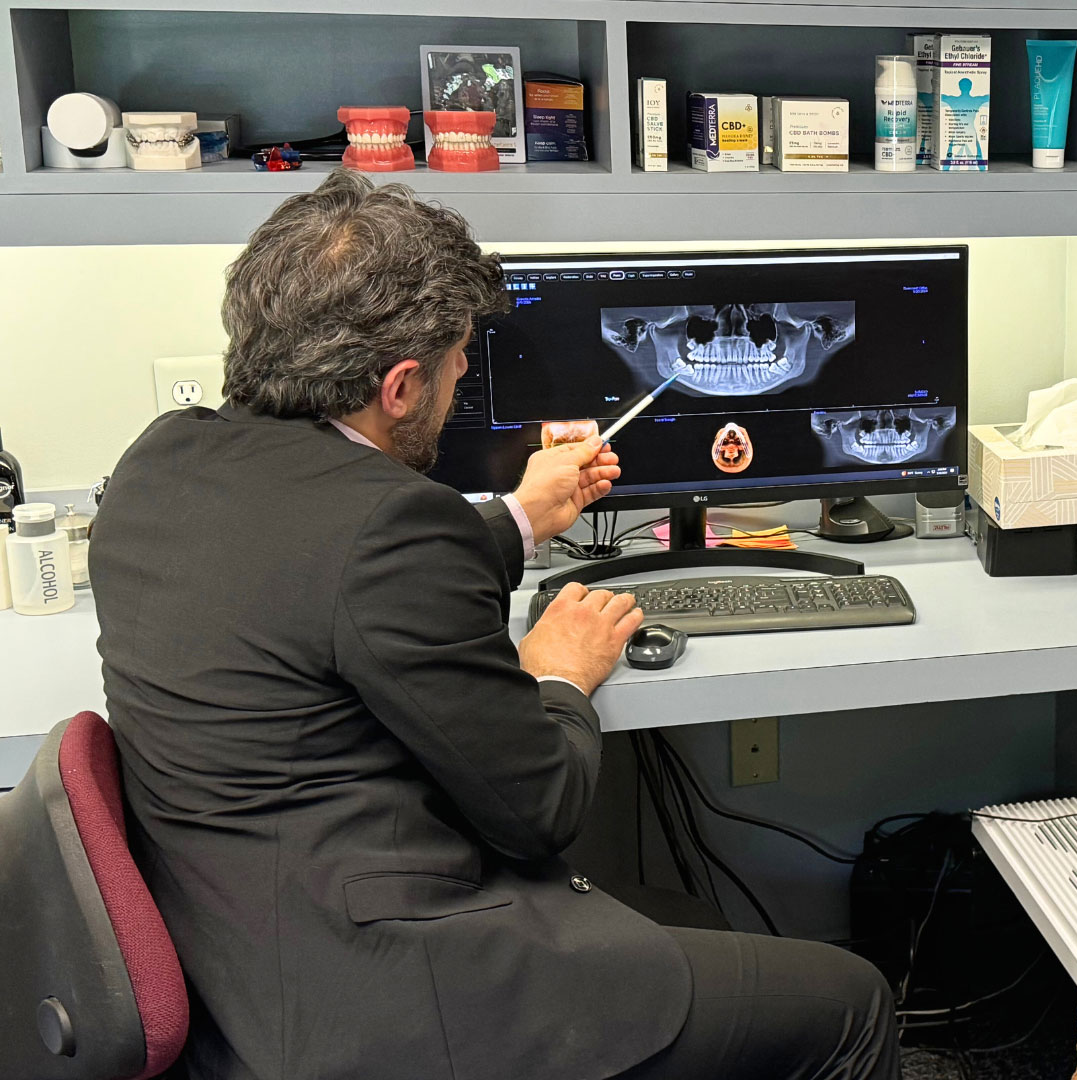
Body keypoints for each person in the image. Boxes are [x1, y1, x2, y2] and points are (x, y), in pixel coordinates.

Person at [91, 169, 899, 1080]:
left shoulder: (159, 462)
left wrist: (518, 516)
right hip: (398, 998)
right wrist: (558, 676)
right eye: (457, 359)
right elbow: (539, 813)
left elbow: (314, 568)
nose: (466, 372)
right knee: (851, 1002)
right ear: (400, 386)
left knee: (691, 927)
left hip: (241, 975)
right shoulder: (389, 526)